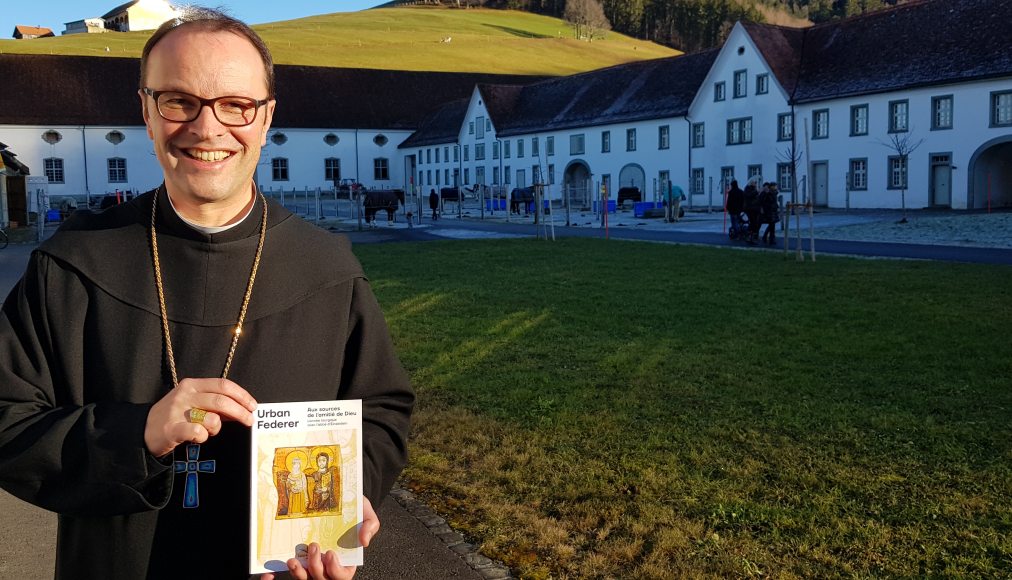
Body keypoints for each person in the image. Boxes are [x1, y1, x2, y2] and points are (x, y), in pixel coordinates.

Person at [0, 8, 414, 580]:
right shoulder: (74, 263)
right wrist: (135, 434)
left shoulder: (327, 267)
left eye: (235, 105)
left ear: (266, 117)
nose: (207, 128)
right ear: (147, 112)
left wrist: (345, 502)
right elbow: (6, 419)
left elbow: (383, 411)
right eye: (179, 101)